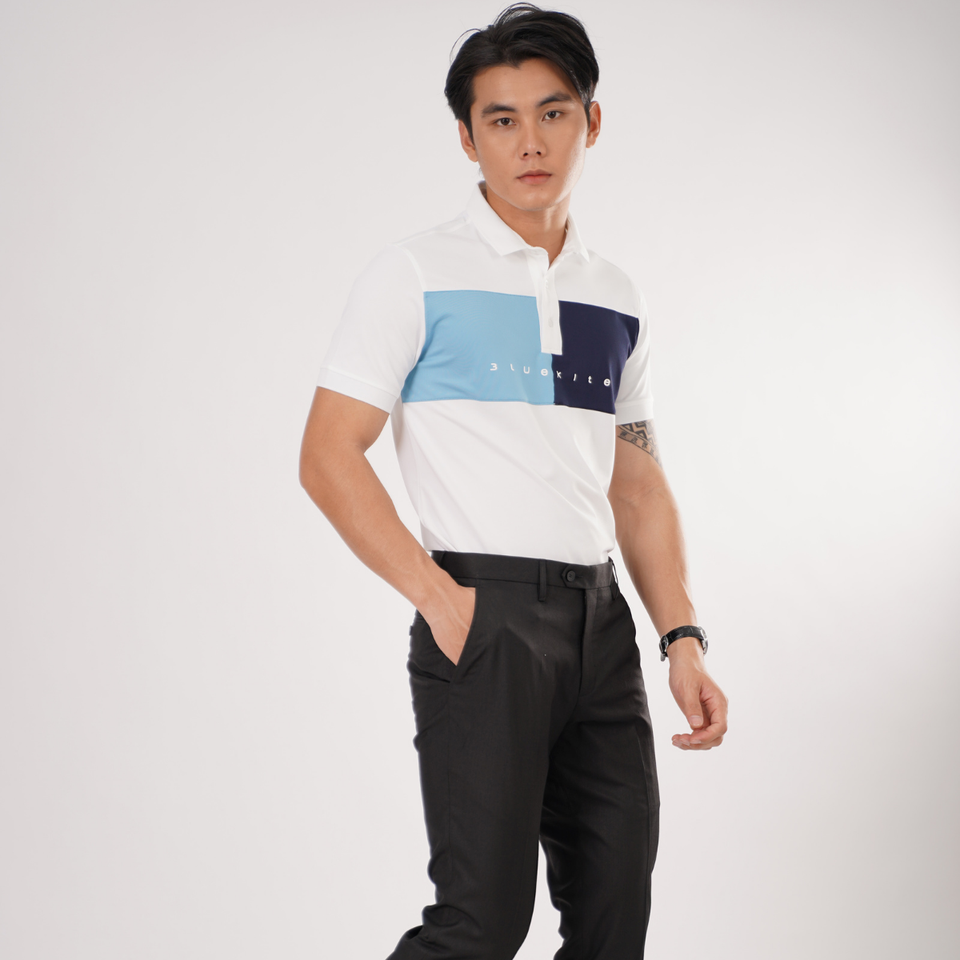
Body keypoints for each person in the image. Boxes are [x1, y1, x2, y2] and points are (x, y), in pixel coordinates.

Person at [299, 5, 728, 958]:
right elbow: (328, 454)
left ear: (591, 121)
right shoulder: (415, 273)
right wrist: (439, 598)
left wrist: (682, 638)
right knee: (481, 926)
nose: (529, 142)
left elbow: (637, 484)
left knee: (614, 921)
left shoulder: (616, 294)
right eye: (501, 120)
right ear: (468, 138)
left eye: (552, 112)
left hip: (601, 628)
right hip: (482, 616)